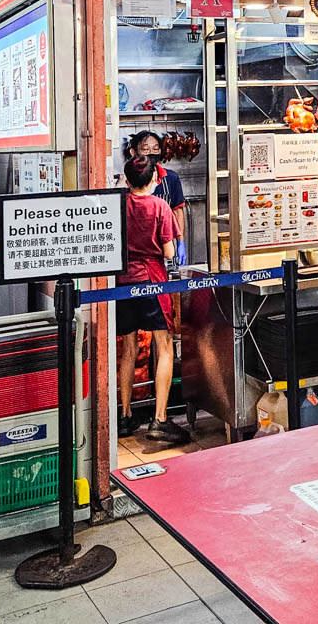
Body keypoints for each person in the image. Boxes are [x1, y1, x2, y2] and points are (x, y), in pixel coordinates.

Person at [116, 155, 190, 444]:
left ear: (127, 179)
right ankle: (159, 419)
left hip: (122, 285)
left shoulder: (118, 205)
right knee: (165, 345)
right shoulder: (159, 206)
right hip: (152, 282)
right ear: (154, 180)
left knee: (128, 347)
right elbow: (170, 252)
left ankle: (124, 415)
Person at [122, 131, 187, 266]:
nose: (151, 153)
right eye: (146, 149)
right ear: (134, 152)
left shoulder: (171, 178)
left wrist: (181, 242)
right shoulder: (129, 180)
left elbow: (178, 211)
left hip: (166, 249)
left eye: (155, 149)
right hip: (134, 254)